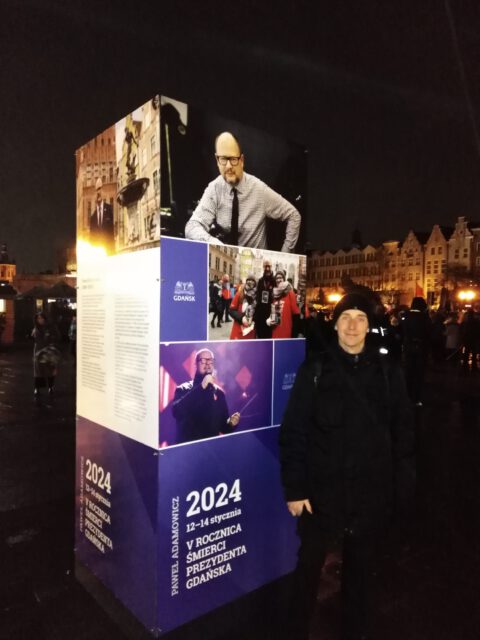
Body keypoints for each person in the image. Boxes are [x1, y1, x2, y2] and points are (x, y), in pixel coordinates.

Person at [279, 293, 415, 640]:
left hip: (369, 493)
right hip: (321, 493)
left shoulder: (387, 372)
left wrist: (400, 489)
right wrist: (295, 489)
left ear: (369, 327)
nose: (353, 325)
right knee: (308, 571)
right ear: (335, 323)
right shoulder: (316, 369)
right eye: (346, 318)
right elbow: (294, 431)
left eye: (360, 318)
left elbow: (403, 433)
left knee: (361, 575)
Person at [185, 132, 301, 252]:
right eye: (223, 159)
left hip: (256, 265)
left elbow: (294, 215)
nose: (229, 166)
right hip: (226, 263)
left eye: (233, 159)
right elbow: (192, 227)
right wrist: (215, 244)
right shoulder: (214, 189)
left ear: (241, 160)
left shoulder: (259, 189)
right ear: (217, 160)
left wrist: (285, 255)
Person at [171, 349, 241, 444]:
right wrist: (201, 387)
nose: (207, 364)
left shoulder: (219, 393)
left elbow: (223, 428)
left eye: (210, 361)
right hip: (188, 450)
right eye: (203, 361)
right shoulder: (183, 388)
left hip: (210, 450)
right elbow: (176, 412)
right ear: (195, 364)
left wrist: (231, 423)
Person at [401, 297, 431, 406]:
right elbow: (429, 333)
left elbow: (402, 331)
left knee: (408, 373)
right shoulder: (424, 317)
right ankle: (416, 398)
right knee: (419, 373)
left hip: (409, 347)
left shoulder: (406, 316)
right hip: (421, 348)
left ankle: (407, 395)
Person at [32, 312, 61, 404]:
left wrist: (52, 341)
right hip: (38, 350)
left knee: (50, 368)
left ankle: (50, 387)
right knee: (38, 370)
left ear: (45, 318)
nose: (40, 320)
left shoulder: (51, 327)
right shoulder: (35, 328)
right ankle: (37, 388)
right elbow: (33, 338)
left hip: (49, 349)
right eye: (38, 318)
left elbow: (57, 337)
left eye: (41, 318)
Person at [266, 271, 300, 339]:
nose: (278, 280)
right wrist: (269, 320)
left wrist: (294, 334)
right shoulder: (274, 295)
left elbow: (296, 313)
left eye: (280, 277)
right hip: (275, 332)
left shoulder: (290, 292)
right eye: (277, 278)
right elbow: (272, 313)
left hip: (287, 333)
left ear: (284, 279)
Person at [90, 177, 114, 253]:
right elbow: (92, 240)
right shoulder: (93, 217)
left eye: (100, 188)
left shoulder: (109, 209)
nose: (98, 192)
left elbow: (111, 233)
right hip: (98, 255)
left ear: (103, 191)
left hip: (108, 251)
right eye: (97, 190)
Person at [228, 275, 257, 339]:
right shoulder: (240, 293)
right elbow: (231, 310)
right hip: (238, 330)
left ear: (255, 283)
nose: (250, 282)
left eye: (252, 281)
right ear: (246, 282)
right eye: (249, 280)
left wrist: (253, 318)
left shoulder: (257, 296)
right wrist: (241, 318)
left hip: (251, 331)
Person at [254, 259, 276, 339]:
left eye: (269, 266)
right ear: (263, 267)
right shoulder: (260, 281)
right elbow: (257, 297)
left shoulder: (274, 281)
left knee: (268, 335)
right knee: (260, 335)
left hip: (270, 312)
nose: (267, 269)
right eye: (265, 266)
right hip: (260, 313)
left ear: (271, 267)